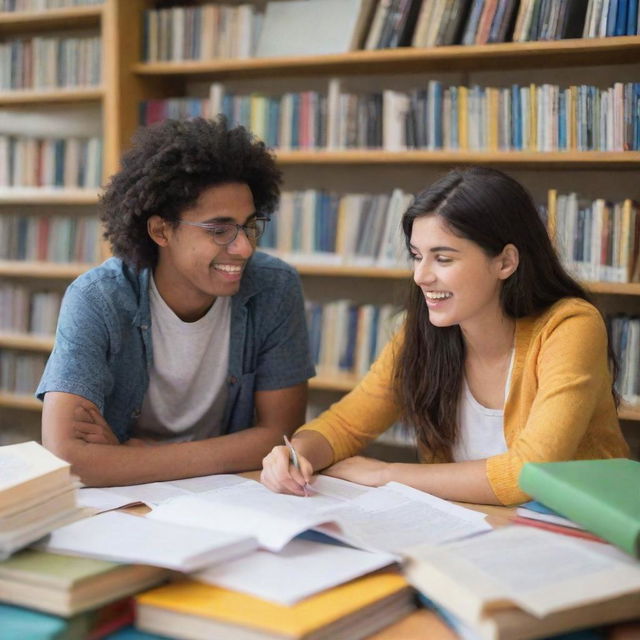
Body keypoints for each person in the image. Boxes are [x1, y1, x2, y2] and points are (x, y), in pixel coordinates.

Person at [261, 166, 629, 506]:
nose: (421, 276)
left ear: (505, 262)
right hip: (477, 530)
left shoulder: (570, 327)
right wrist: (296, 455)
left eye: (443, 258)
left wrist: (386, 474)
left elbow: (527, 474)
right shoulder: (424, 331)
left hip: (579, 534)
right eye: (416, 255)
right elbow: (345, 425)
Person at [39, 117, 315, 486]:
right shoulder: (98, 298)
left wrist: (133, 456)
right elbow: (67, 458)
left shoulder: (274, 288)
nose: (245, 247)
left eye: (249, 225)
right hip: (126, 510)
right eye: (219, 230)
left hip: (226, 497)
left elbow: (281, 437)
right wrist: (229, 451)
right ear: (161, 230)